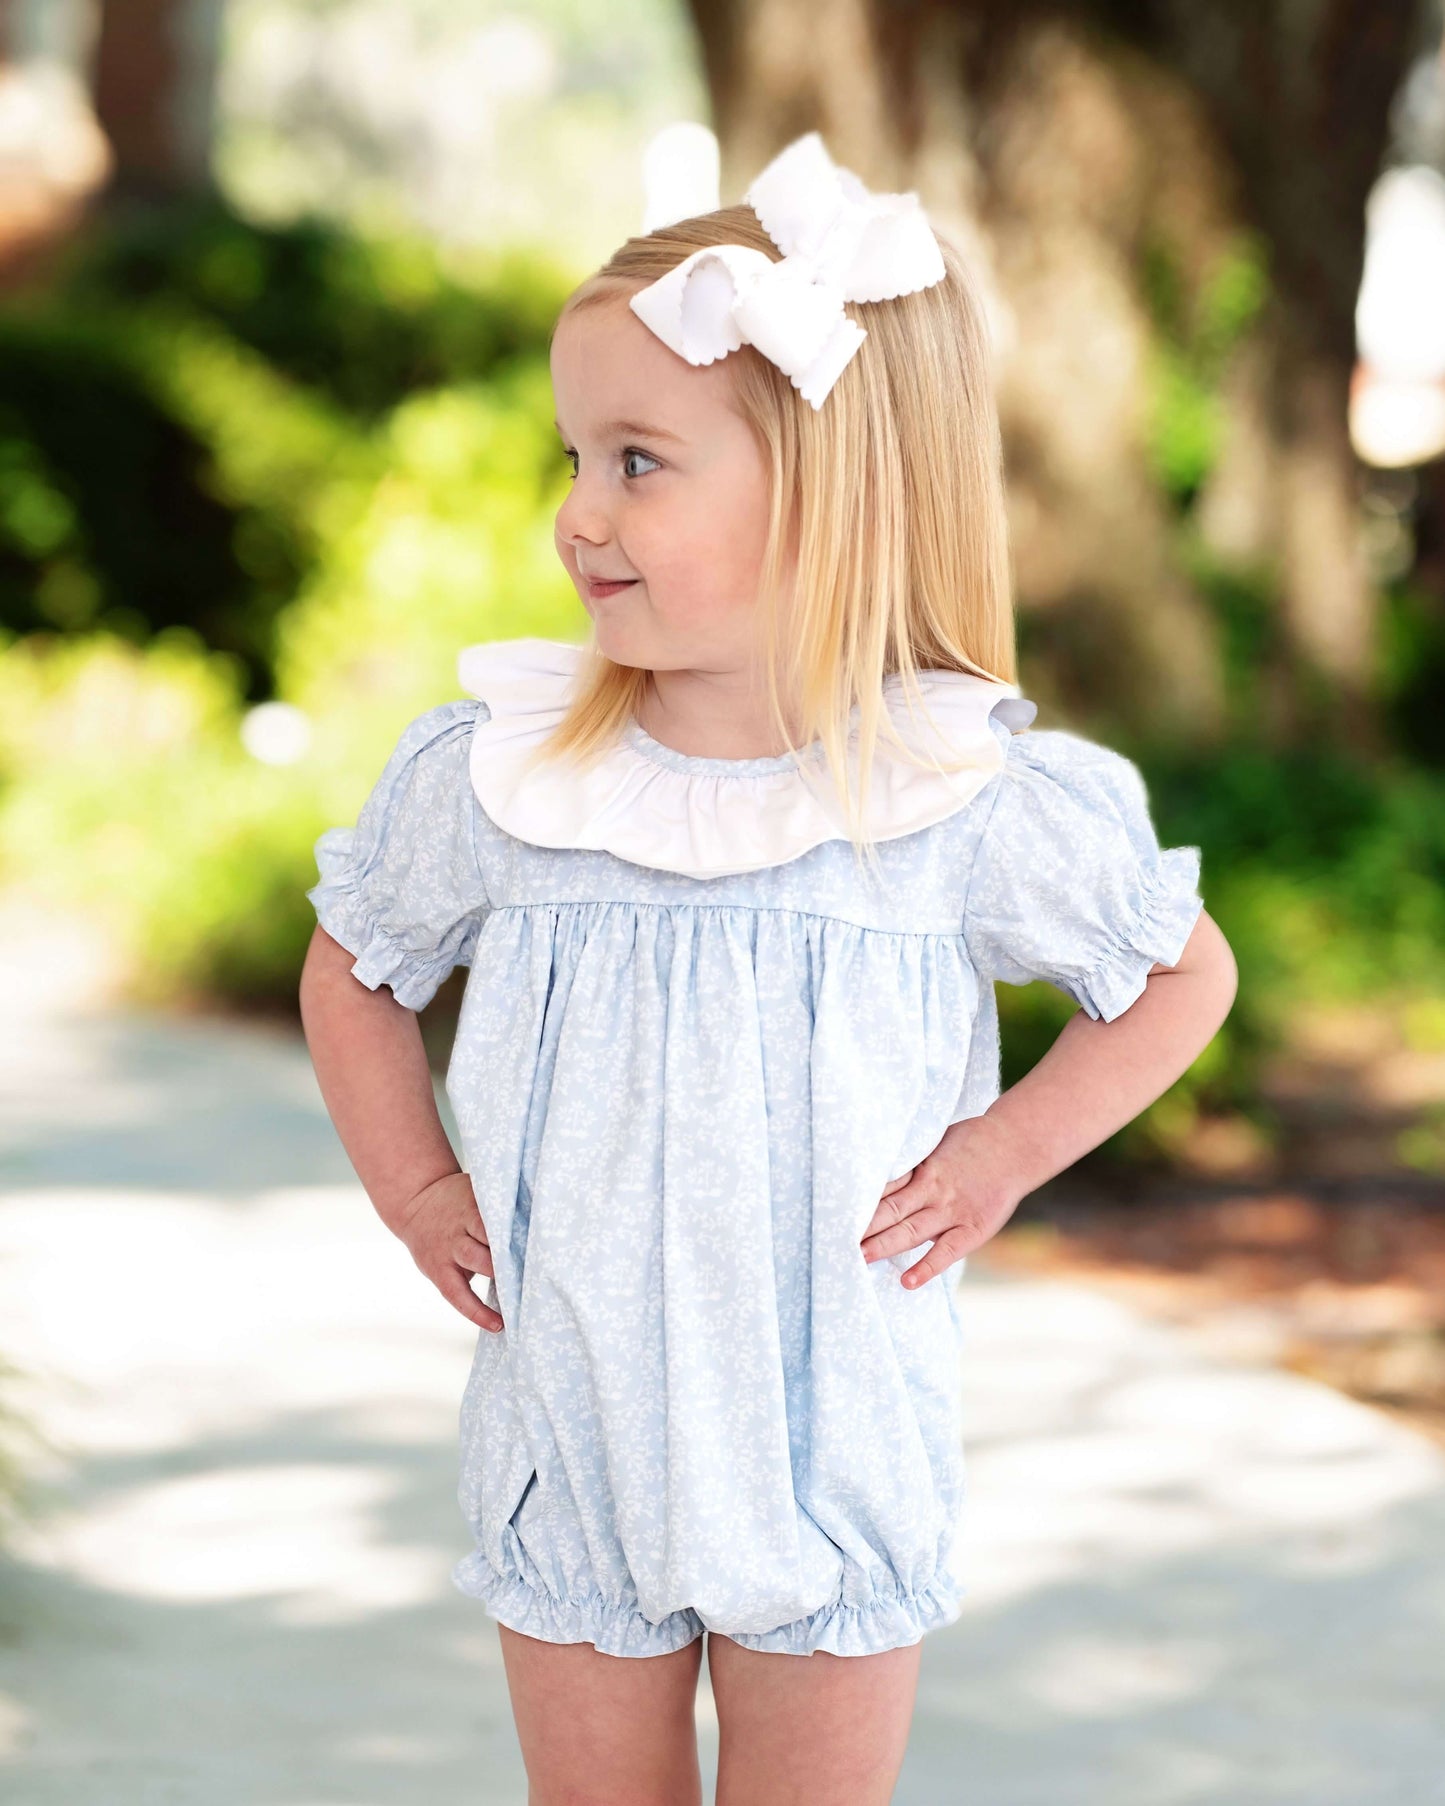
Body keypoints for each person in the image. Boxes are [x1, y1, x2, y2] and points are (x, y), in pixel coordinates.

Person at [298, 128, 1238, 1806]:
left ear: (828, 487)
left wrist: (1004, 1148)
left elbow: (1180, 975)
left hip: (834, 1438)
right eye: (574, 456)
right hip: (572, 1428)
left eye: (639, 462)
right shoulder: (512, 784)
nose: (578, 514)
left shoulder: (953, 802)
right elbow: (354, 963)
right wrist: (413, 1181)